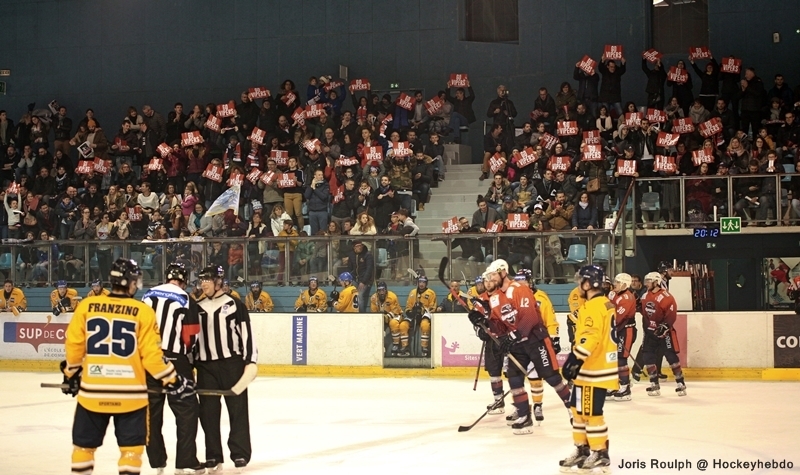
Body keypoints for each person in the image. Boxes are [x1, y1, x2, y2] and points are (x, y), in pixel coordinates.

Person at [61, 258, 193, 475]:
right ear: (131, 283)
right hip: (131, 396)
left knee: (83, 449)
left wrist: (70, 375)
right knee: (131, 453)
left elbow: (74, 347)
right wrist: (174, 380)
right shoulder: (142, 311)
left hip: (93, 392)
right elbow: (152, 357)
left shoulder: (87, 306)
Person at [141, 262, 204, 475]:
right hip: (175, 361)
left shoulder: (147, 295)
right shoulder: (186, 298)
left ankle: (157, 462)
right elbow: (191, 335)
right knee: (187, 411)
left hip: (148, 361)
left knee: (151, 414)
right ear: (184, 281)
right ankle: (184, 462)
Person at [195, 265, 258, 473]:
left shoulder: (234, 305)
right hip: (205, 367)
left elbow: (247, 334)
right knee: (208, 414)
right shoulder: (197, 307)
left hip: (232, 365)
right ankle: (213, 455)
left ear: (218, 282)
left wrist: (250, 361)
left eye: (207, 279)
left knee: (238, 410)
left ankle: (240, 453)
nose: (203, 284)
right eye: (201, 280)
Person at [558, 265, 617, 473]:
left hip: (594, 370)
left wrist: (575, 359)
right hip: (589, 370)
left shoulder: (594, 306)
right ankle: (582, 449)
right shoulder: (601, 304)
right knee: (578, 411)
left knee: (592, 413)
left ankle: (600, 453)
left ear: (588, 284)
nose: (578, 285)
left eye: (580, 281)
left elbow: (590, 336)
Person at [640, 271, 687, 397]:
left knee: (671, 356)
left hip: (664, 333)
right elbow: (643, 312)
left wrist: (665, 326)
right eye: (646, 281)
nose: (646, 283)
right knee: (647, 356)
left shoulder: (666, 297)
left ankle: (680, 383)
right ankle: (654, 383)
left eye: (649, 281)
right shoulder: (645, 296)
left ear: (656, 282)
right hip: (650, 333)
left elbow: (671, 315)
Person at [607, 273, 637, 402]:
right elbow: (607, 308)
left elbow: (617, 318)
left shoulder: (627, 298)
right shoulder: (613, 294)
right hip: (617, 330)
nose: (615, 284)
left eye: (618, 282)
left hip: (626, 331)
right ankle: (614, 385)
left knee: (621, 359)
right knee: (613, 359)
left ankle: (625, 388)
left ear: (625, 284)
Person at [370, 281, 407, 356]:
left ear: (386, 290)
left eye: (383, 290)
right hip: (382, 316)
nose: (381, 292)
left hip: (396, 314)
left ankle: (396, 345)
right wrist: (380, 318)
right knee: (374, 325)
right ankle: (378, 346)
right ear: (377, 291)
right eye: (379, 290)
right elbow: (374, 313)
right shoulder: (374, 298)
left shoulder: (392, 296)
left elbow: (395, 311)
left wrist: (387, 317)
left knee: (393, 323)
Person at [405, 276, 436, 357]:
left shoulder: (431, 293)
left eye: (423, 282)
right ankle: (405, 348)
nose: (421, 284)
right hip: (414, 315)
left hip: (425, 315)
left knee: (425, 325)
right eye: (420, 282)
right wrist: (411, 312)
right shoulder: (413, 292)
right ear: (417, 283)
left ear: (426, 283)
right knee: (403, 325)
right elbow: (408, 307)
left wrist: (422, 309)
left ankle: (424, 347)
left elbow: (432, 308)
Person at [346, 240, 374, 313]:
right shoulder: (351, 255)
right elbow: (349, 268)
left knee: (359, 295)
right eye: (357, 246)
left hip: (365, 280)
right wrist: (349, 279)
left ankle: (361, 314)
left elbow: (369, 269)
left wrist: (363, 282)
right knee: (348, 293)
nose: (359, 247)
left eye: (360, 245)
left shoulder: (367, 255)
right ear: (354, 247)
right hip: (354, 279)